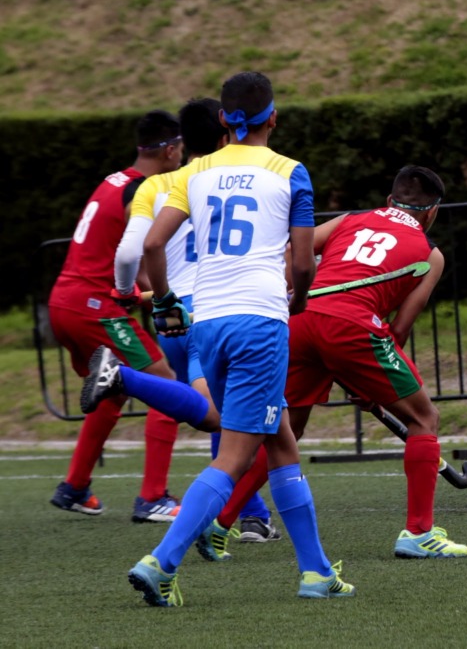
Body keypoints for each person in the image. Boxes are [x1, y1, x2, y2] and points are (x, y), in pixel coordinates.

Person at [127, 71, 353, 607]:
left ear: (224, 119)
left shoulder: (194, 170)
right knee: (233, 456)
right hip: (259, 322)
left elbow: (153, 245)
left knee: (279, 442)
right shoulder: (291, 172)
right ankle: (161, 561)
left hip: (208, 322)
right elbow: (301, 261)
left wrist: (162, 304)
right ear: (273, 117)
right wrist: (295, 302)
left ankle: (317, 572)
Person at [201, 164, 467, 561]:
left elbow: (294, 252)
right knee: (423, 419)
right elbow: (399, 329)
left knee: (282, 431)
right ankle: (419, 533)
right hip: (354, 328)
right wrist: (366, 380)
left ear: (389, 201)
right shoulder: (431, 255)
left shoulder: (352, 219)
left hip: (301, 320)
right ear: (432, 213)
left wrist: (294, 300)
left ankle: (218, 523)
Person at [105, 97, 279, 541]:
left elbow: (130, 251)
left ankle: (248, 513)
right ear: (226, 131)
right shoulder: (238, 175)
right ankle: (123, 379)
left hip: (172, 321)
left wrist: (130, 293)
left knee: (220, 416)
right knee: (229, 416)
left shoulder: (155, 185)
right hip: (219, 310)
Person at [47, 110, 194, 523]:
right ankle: (153, 498)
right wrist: (158, 297)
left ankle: (74, 486)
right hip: (94, 307)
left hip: (64, 302)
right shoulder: (144, 188)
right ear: (168, 150)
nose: (181, 157)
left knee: (112, 391)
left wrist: (148, 294)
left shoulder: (115, 179)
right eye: (180, 149)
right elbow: (134, 255)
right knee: (167, 382)